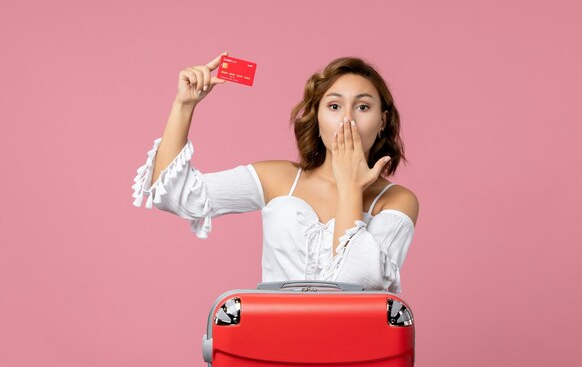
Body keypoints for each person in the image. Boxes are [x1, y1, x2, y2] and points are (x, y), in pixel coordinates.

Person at [132, 51, 419, 292]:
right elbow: (175, 196)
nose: (347, 119)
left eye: (363, 107)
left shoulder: (396, 201)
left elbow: (355, 283)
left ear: (382, 121)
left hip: (353, 353)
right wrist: (183, 106)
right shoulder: (278, 179)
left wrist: (349, 188)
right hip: (272, 346)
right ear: (317, 116)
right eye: (334, 106)